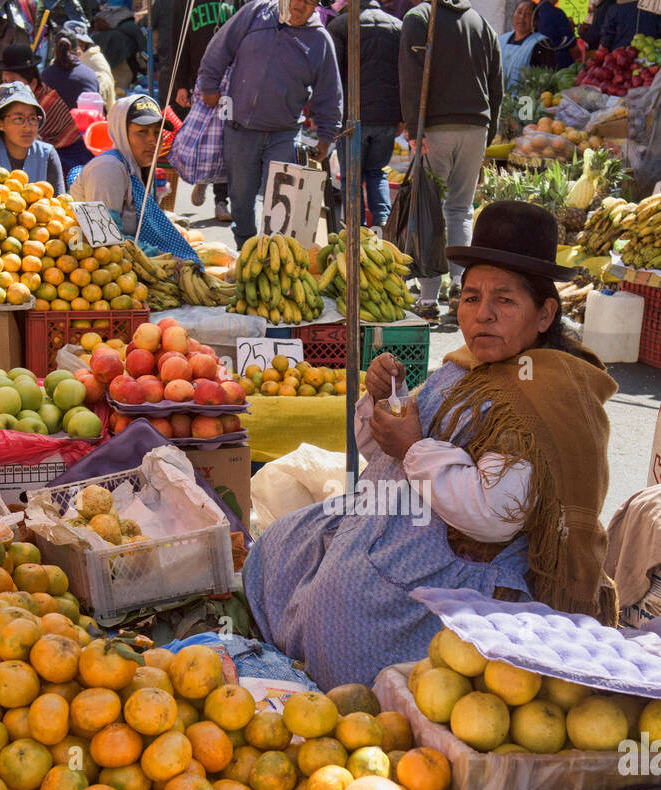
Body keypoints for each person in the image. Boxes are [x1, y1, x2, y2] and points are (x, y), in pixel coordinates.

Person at [242, 202, 618, 690]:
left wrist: (414, 448)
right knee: (280, 544)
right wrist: (384, 399)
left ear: (545, 313)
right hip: (401, 520)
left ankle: (358, 696)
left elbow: (493, 513)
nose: (482, 314)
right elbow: (381, 448)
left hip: (464, 564)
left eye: (504, 301)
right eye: (470, 297)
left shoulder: (543, 396)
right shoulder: (468, 366)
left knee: (344, 605)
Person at [196, 0, 343, 249]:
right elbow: (220, 46)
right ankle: (246, 250)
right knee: (241, 199)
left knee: (278, 206)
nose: (300, 6)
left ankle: (272, 257)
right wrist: (208, 85)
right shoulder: (255, 13)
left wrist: (326, 136)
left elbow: (330, 92)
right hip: (240, 128)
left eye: (309, 2)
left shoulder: (320, 40)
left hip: (284, 134)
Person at [399, 0, 501, 323]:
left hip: (435, 128)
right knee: (460, 209)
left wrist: (414, 126)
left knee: (429, 209)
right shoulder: (483, 26)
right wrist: (488, 133)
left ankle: (428, 300)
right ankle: (461, 289)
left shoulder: (419, 18)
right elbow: (496, 87)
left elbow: (411, 78)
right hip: (476, 128)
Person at [69, 94, 201, 260]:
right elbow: (104, 238)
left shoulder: (139, 168)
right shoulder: (108, 169)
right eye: (142, 132)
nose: (153, 140)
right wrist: (162, 257)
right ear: (122, 132)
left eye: (157, 132)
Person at [329, 0, 402, 231]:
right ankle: (382, 222)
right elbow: (405, 75)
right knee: (376, 171)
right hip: (387, 116)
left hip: (352, 117)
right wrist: (401, 116)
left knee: (351, 176)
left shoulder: (341, 25)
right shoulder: (398, 26)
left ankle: (355, 229)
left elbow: (333, 75)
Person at [169, 0, 243, 222]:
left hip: (231, 80)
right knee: (202, 136)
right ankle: (203, 177)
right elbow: (178, 44)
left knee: (226, 139)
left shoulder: (236, 2)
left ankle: (222, 201)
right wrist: (180, 83)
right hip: (200, 81)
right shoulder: (185, 3)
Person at [0, 43, 94, 175]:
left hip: (68, 162)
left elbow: (23, 143)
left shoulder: (46, 103)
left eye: (13, 81)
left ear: (32, 83)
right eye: (4, 81)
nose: (8, 86)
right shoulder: (14, 101)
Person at [0, 81, 67, 191]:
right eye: (18, 119)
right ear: (0, 124)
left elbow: (59, 201)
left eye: (32, 119)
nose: (27, 127)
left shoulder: (47, 154)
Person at [41, 27, 101, 111]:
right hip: (84, 123)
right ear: (78, 51)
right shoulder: (90, 75)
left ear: (54, 51)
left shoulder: (45, 76)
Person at [67, 18, 116, 113]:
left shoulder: (95, 58)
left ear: (84, 43)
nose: (75, 46)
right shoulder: (59, 60)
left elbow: (105, 85)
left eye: (78, 42)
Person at [500, 1, 545, 91]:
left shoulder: (541, 44)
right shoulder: (500, 40)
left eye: (528, 14)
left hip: (525, 100)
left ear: (535, 21)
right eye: (519, 12)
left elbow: (543, 78)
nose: (522, 17)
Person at [533, 0, 575, 69]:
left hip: (536, 63)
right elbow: (570, 41)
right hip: (559, 62)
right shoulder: (558, 13)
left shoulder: (533, 11)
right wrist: (571, 29)